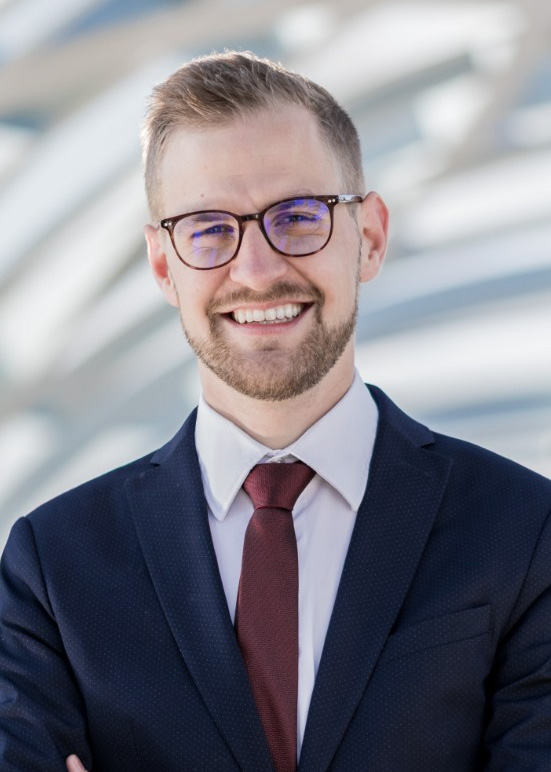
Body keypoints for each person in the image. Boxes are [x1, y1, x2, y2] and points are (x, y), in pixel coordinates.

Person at [1, 50, 551, 772]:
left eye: (297, 217)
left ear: (370, 237)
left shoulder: (523, 530)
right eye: (208, 229)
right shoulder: (53, 566)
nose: (257, 272)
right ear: (164, 265)